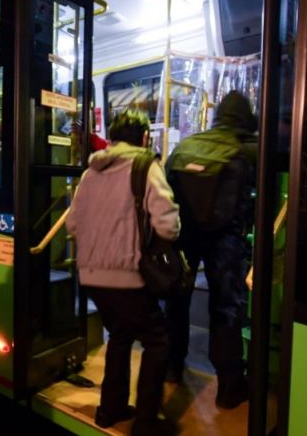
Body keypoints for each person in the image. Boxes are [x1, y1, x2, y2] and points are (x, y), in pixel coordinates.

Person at [66, 111, 180, 436]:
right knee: (158, 342)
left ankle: (110, 409)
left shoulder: (91, 172)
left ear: (113, 138)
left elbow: (73, 224)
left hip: (91, 276)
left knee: (119, 335)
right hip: (127, 274)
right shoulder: (146, 166)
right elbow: (168, 226)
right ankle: (145, 422)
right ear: (144, 138)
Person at [165, 90, 257, 409]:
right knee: (225, 309)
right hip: (225, 241)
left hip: (184, 237)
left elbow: (167, 194)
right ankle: (230, 386)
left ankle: (172, 367)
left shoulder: (185, 147)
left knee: (177, 301)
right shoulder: (248, 150)